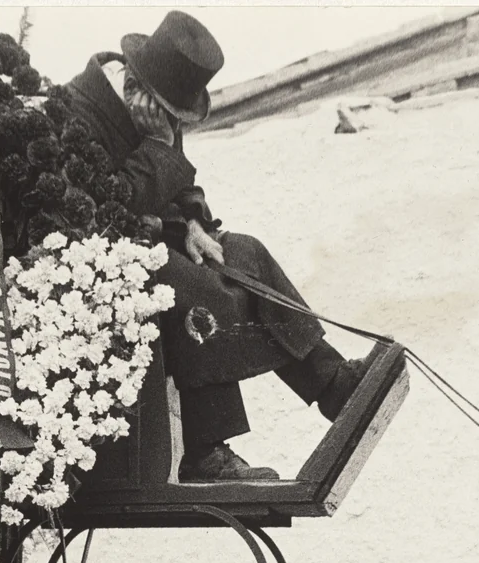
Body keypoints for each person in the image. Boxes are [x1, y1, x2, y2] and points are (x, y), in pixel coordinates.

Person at [63, 11, 370, 482]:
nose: (173, 124)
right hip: (99, 259)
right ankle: (204, 453)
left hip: (155, 237)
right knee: (196, 287)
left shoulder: (157, 96)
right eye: (170, 116)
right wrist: (159, 143)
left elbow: (182, 180)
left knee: (246, 251)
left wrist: (193, 221)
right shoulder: (78, 109)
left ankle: (332, 384)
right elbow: (108, 205)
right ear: (134, 84)